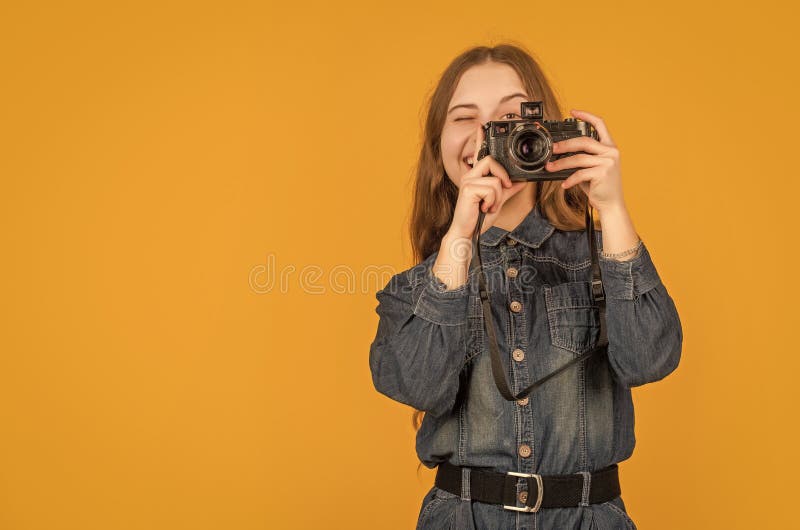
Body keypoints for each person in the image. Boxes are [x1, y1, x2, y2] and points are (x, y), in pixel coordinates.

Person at [368, 43, 683, 530]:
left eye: (510, 117)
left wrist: (614, 211)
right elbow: (414, 384)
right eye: (464, 117)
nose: (488, 136)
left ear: (545, 135)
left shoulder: (605, 258)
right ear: (439, 146)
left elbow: (650, 359)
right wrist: (459, 240)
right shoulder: (416, 287)